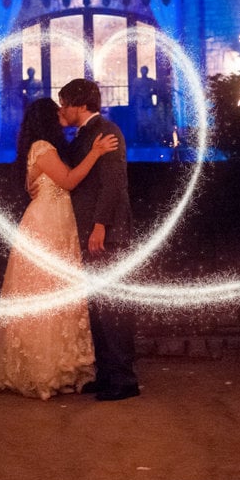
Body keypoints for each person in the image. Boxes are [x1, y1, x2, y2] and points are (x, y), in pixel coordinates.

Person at [0, 97, 117, 400]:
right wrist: (96, 153)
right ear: (47, 118)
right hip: (48, 224)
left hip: (54, 220)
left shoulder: (42, 148)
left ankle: (59, 366)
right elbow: (69, 181)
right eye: (56, 111)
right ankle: (45, 369)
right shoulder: (42, 148)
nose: (62, 113)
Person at [58, 79, 140, 401]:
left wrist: (101, 225)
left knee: (112, 309)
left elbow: (113, 184)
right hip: (91, 232)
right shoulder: (85, 135)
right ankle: (107, 374)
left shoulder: (106, 131)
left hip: (105, 234)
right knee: (98, 307)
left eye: (64, 103)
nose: (62, 109)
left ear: (79, 104)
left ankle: (124, 379)